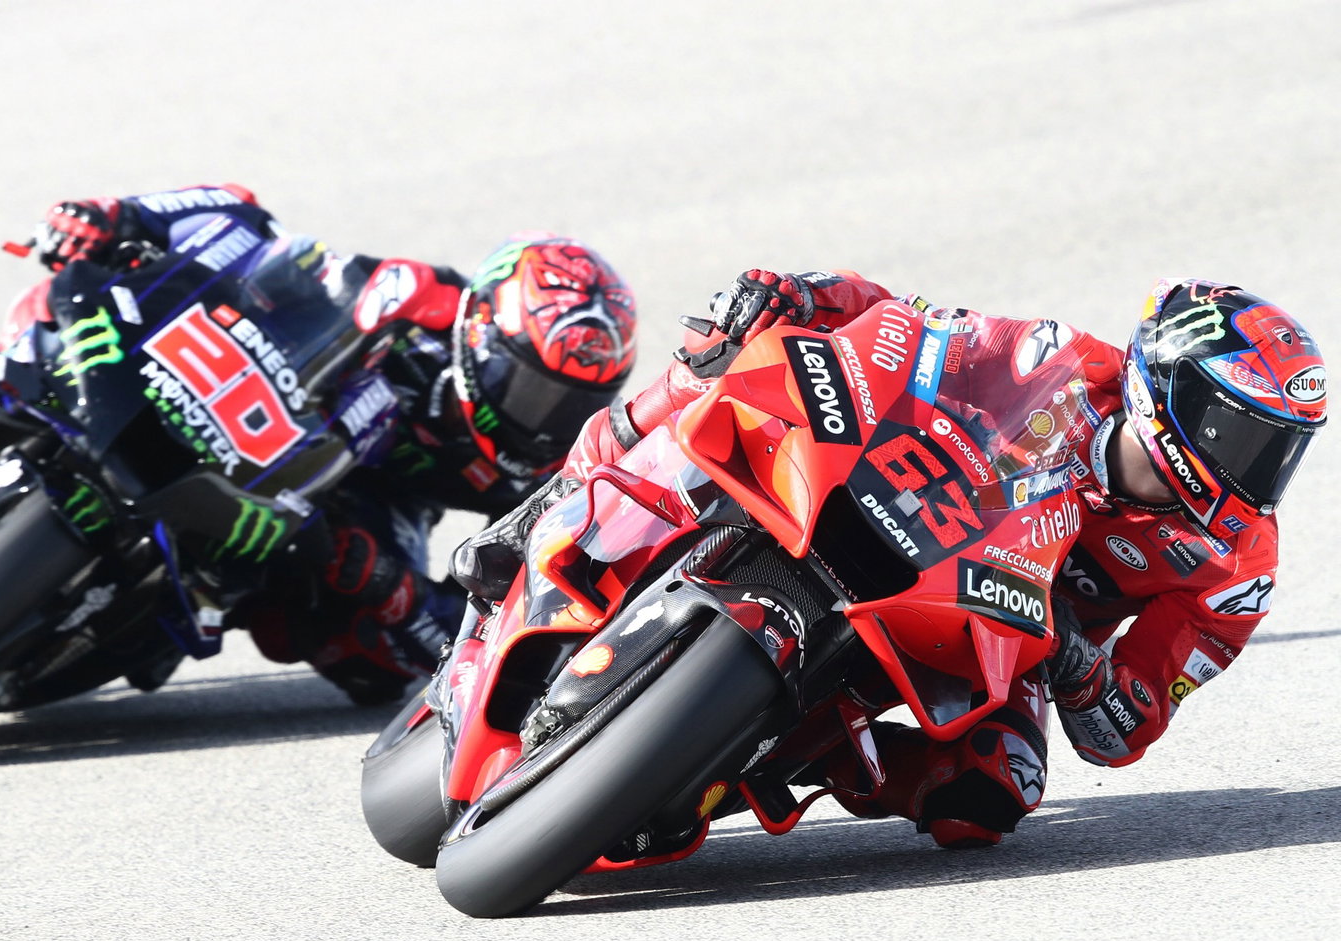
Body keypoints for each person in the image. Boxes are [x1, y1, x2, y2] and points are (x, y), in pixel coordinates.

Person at [453, 268, 1325, 847]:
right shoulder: (1057, 357)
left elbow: (1123, 730)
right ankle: (543, 511)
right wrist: (794, 293)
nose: (1259, 471)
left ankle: (809, 751)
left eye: (1279, 448)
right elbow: (906, 321)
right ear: (1169, 392)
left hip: (1007, 628)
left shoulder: (1234, 571)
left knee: (994, 795)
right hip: (903, 505)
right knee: (719, 366)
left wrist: (1075, 653)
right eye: (1242, 434)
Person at [0, 184, 638, 704]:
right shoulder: (413, 293)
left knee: (379, 664)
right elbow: (244, 221)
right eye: (536, 389)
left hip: (352, 503)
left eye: (573, 401)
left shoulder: (545, 465)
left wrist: (401, 590)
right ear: (482, 334)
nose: (545, 416)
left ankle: (161, 605)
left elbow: (522, 605)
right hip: (259, 402)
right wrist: (119, 217)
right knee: (79, 301)